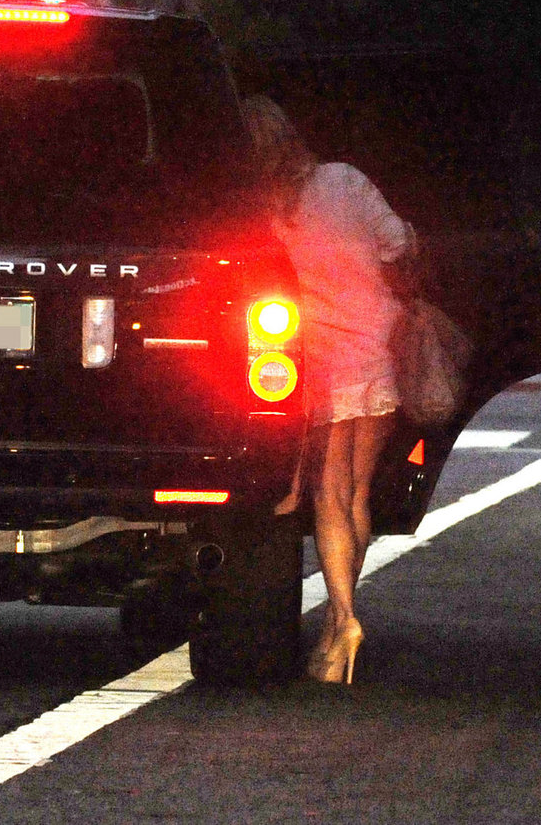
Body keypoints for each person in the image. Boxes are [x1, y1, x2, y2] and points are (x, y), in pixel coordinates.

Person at [242, 95, 414, 684]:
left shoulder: (257, 208)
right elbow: (400, 244)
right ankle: (335, 630)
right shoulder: (346, 179)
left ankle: (343, 618)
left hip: (322, 360)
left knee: (328, 497)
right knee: (359, 495)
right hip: (377, 346)